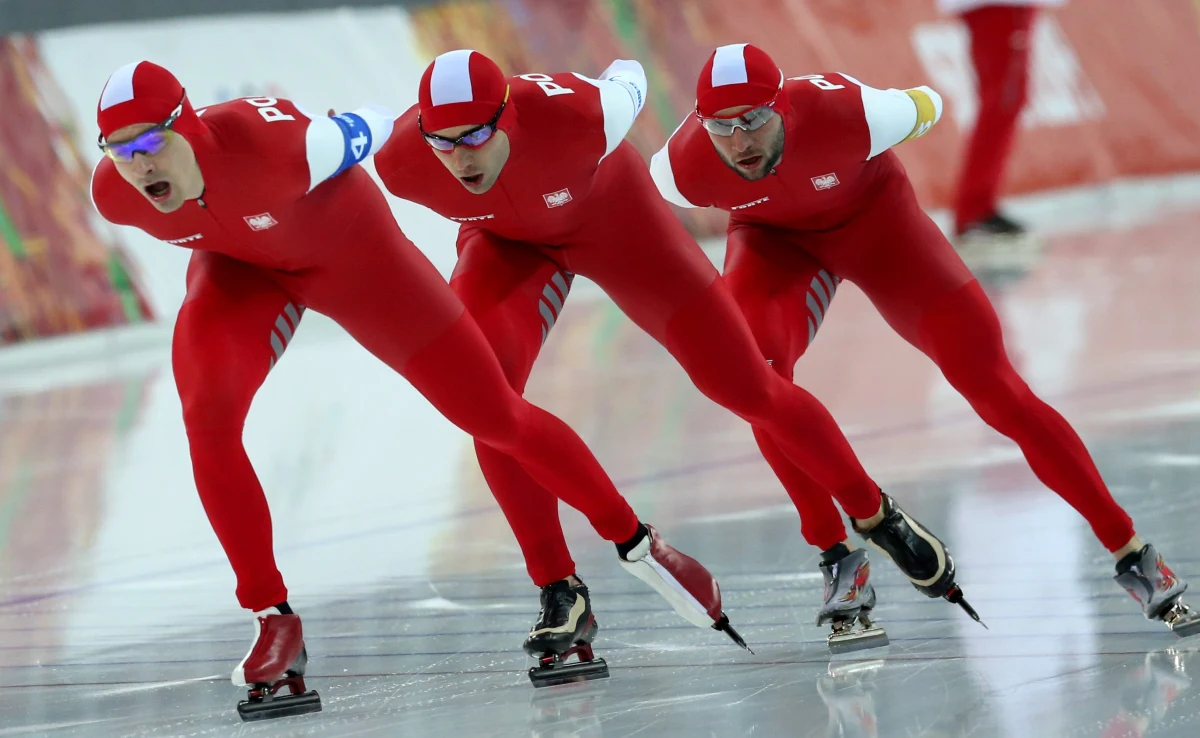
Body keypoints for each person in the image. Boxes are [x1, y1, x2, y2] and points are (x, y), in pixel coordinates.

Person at [89, 61, 737, 717]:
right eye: (120, 150)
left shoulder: (288, 150)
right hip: (240, 272)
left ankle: (636, 543)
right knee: (207, 419)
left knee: (494, 416)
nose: (138, 167)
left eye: (149, 144)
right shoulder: (112, 194)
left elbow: (367, 123)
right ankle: (272, 619)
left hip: (354, 257)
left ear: (190, 125)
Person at [374, 49, 977, 658]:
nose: (461, 155)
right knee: (486, 403)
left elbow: (628, 76)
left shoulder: (587, 114)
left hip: (617, 224)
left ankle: (876, 517)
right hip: (505, 243)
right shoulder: (400, 162)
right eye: (442, 141)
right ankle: (560, 589)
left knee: (745, 384)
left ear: (508, 117)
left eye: (476, 134)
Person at [648, 42, 1199, 638]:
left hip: (877, 225)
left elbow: (928, 101)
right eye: (722, 127)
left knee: (994, 387)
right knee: (756, 379)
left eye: (755, 119)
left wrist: (916, 110)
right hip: (772, 241)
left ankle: (1130, 548)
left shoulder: (857, 113)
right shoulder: (678, 171)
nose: (740, 141)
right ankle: (838, 556)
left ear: (784, 105)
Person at [941, 0, 1065, 244]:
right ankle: (974, 208)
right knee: (1004, 99)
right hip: (1000, 4)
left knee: (1005, 99)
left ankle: (976, 206)